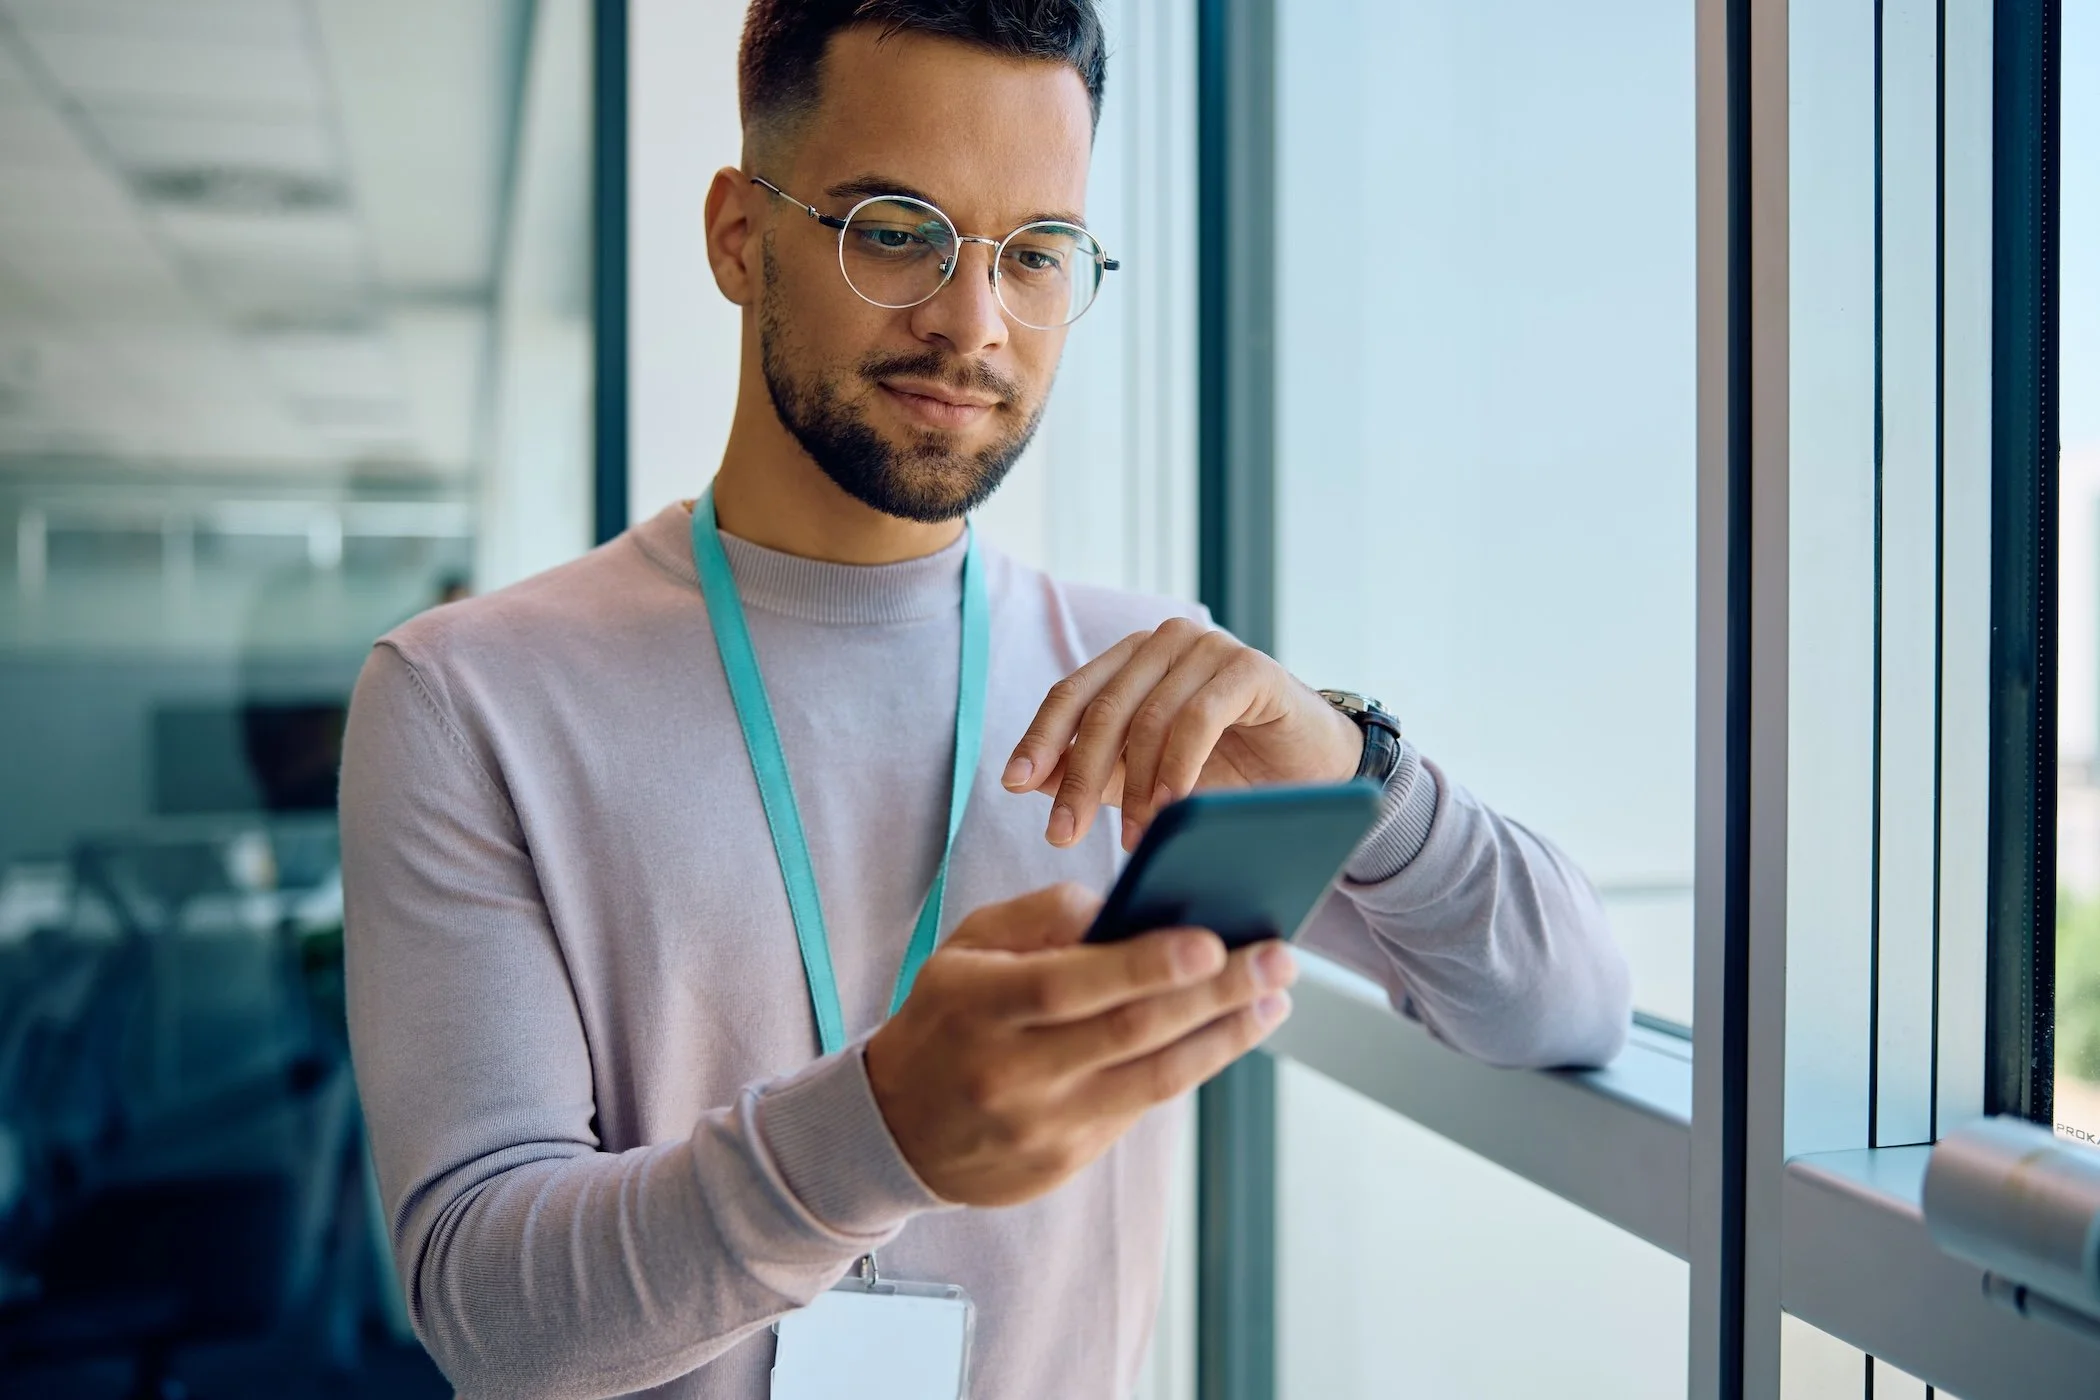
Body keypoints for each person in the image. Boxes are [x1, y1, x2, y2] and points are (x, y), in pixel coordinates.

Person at [337, 2, 1632, 1396]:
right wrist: (880, 1132)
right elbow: (488, 1310)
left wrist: (1353, 760)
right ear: (737, 234)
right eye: (896, 230)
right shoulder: (467, 697)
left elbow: (1564, 1005)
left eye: (1037, 254)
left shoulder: (1146, 686)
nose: (975, 323)